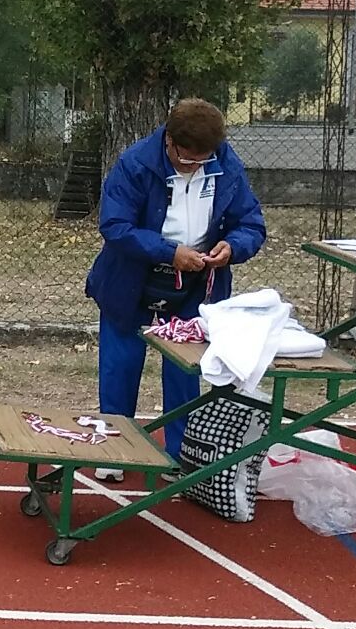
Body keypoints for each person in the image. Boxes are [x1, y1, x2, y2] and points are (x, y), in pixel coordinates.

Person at [84, 98, 266, 474]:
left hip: (196, 285)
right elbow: (115, 225)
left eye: (203, 159)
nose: (194, 165)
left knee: (185, 370)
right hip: (130, 280)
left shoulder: (226, 163)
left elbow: (250, 222)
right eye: (186, 159)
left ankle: (181, 454)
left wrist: (233, 247)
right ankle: (115, 451)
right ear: (169, 140)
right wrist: (169, 252)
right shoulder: (135, 164)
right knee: (120, 366)